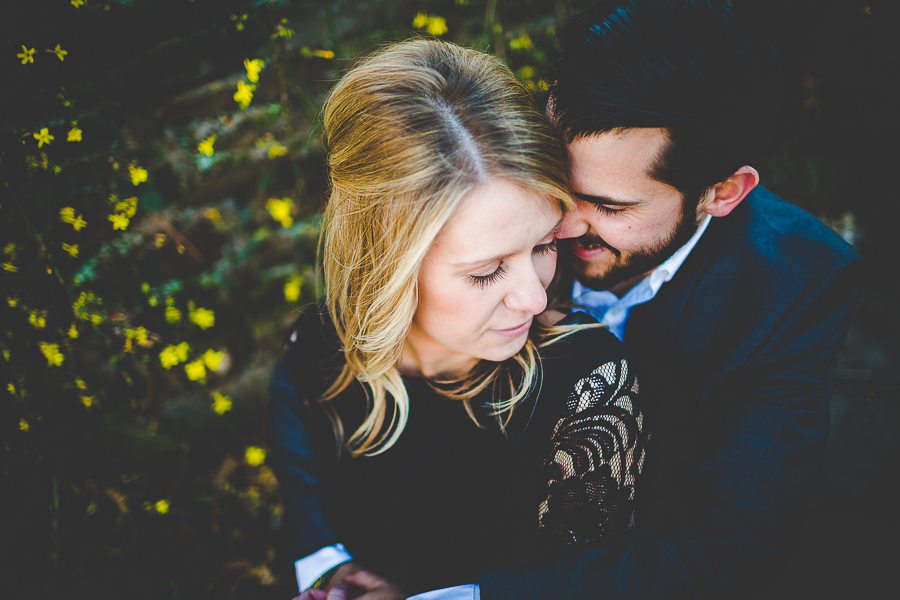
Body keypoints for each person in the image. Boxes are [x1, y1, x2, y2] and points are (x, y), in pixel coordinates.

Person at [411, 2, 860, 599]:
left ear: (723, 192)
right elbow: (344, 343)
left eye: (610, 207)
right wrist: (327, 559)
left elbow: (732, 545)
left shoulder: (793, 282)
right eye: (558, 184)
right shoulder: (496, 187)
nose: (564, 225)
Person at [267, 39, 648, 600]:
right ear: (387, 264)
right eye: (487, 272)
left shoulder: (588, 389)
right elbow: (305, 492)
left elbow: (596, 582)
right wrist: (334, 575)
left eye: (545, 245)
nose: (535, 299)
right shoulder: (323, 343)